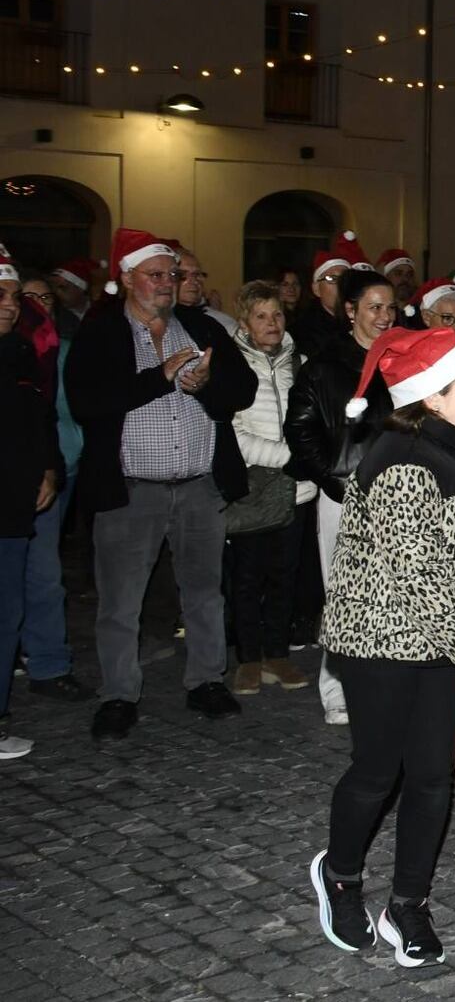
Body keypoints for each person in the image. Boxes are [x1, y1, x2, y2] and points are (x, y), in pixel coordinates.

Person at [309, 326, 455, 967]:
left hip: (439, 644)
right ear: (433, 396)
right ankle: (339, 876)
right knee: (378, 770)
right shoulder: (405, 464)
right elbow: (418, 581)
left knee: (429, 777)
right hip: (381, 642)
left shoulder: (450, 449)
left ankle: (407, 903)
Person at [67, 228, 256, 740]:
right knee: (121, 601)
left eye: (171, 275)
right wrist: (160, 377)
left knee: (203, 592)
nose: (167, 284)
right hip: (131, 488)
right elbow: (88, 403)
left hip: (198, 484)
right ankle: (119, 695)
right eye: (155, 275)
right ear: (126, 278)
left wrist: (204, 385)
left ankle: (206, 682)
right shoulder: (101, 332)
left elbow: (244, 389)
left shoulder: (199, 326)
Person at [286, 266, 398, 724]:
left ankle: (387, 679)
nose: (385, 316)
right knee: (343, 592)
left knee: (394, 590)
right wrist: (334, 476)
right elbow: (300, 429)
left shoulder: (401, 361)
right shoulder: (326, 364)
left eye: (391, 307)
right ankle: (337, 688)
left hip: (399, 493)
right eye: (374, 307)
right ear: (350, 310)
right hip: (345, 493)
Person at [225, 281, 315, 695]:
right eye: (261, 316)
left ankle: (277, 654)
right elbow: (233, 433)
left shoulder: (301, 362)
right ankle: (248, 658)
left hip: (296, 488)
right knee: (247, 577)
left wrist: (307, 461)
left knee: (285, 574)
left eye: (277, 314)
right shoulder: (232, 364)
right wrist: (286, 457)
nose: (271, 323)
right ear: (245, 321)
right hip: (254, 485)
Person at [0, 246, 62, 758]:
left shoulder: (21, 352)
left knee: (7, 610)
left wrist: (48, 469)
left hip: (15, 501)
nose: (7, 304)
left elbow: (38, 422)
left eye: (12, 295)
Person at [15, 270, 85, 701]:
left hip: (57, 470)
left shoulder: (63, 351)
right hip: (18, 471)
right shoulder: (16, 352)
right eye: (29, 297)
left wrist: (66, 460)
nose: (38, 306)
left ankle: (48, 662)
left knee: (44, 574)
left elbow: (71, 412)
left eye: (46, 299)